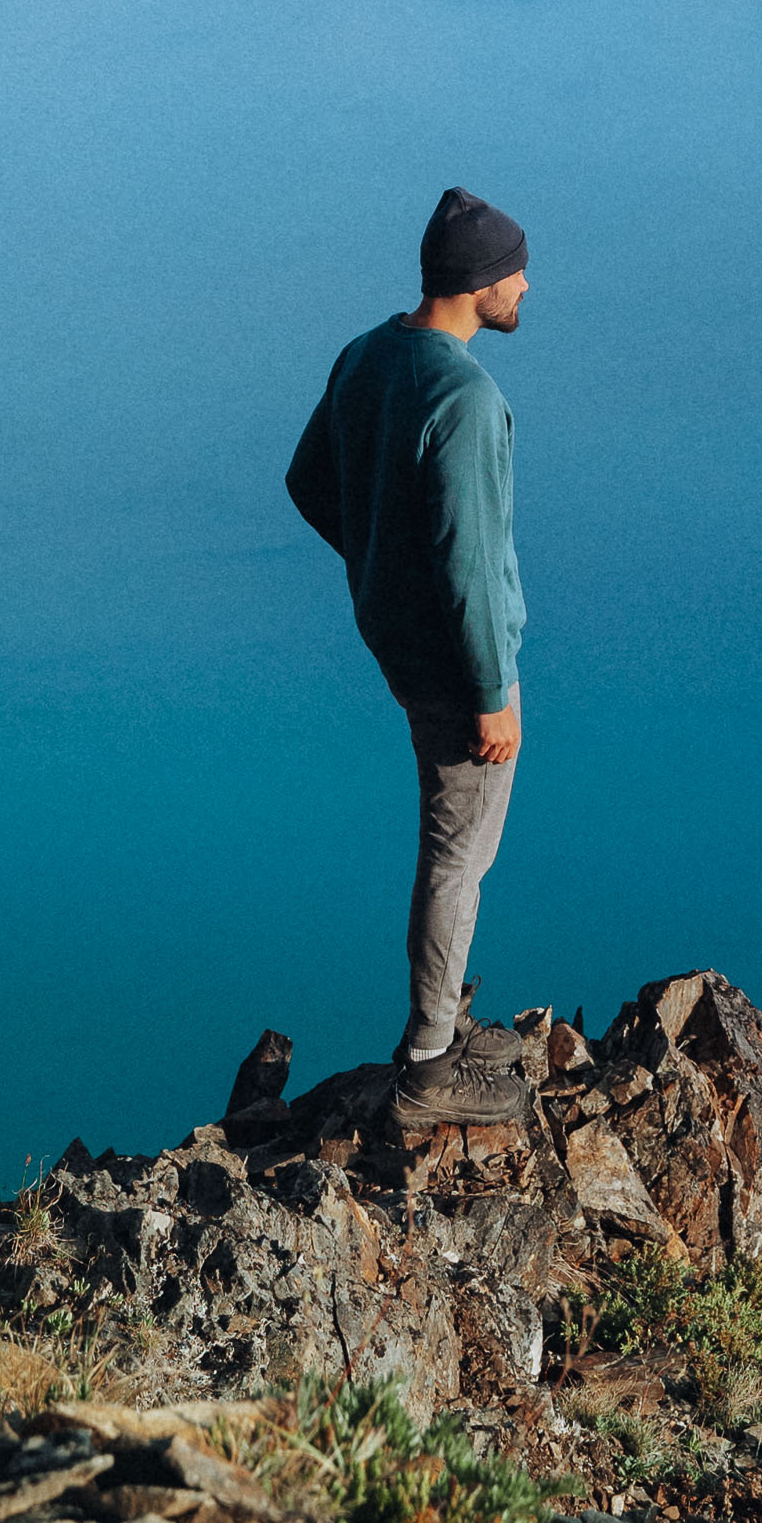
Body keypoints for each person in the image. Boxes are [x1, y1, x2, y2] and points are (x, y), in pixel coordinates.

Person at [286, 187, 537, 1130]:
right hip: (456, 668)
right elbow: (470, 562)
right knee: (456, 857)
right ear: (480, 284)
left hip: (402, 642)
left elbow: (309, 482)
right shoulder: (467, 398)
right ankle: (432, 1062)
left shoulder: (368, 353)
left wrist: (379, 567)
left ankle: (443, 1017)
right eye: (517, 271)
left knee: (459, 845)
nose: (526, 286)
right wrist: (491, 691)